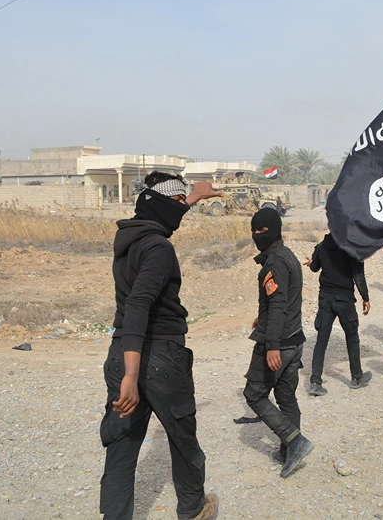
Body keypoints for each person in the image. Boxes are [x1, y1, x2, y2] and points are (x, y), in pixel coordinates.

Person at [100, 171, 221, 520]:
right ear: (164, 205)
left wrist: (194, 196)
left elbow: (165, 210)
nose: (183, 209)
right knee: (184, 444)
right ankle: (194, 511)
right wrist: (132, 377)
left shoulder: (129, 239)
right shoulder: (159, 248)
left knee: (121, 448)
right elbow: (139, 304)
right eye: (179, 203)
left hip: (122, 350)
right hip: (159, 358)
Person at [244, 207, 314, 478]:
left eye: (263, 231)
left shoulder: (274, 262)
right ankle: (288, 452)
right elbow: (279, 301)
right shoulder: (288, 255)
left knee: (254, 395)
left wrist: (271, 343)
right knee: (286, 396)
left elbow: (279, 302)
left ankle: (295, 441)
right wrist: (260, 318)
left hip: (280, 344)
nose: (258, 235)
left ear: (275, 229)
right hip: (294, 339)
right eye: (255, 231)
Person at [304, 233, 372, 396]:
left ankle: (315, 382)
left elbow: (315, 268)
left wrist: (311, 262)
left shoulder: (321, 246)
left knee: (321, 339)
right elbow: (358, 276)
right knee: (352, 336)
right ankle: (356, 377)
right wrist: (366, 298)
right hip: (344, 300)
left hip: (325, 298)